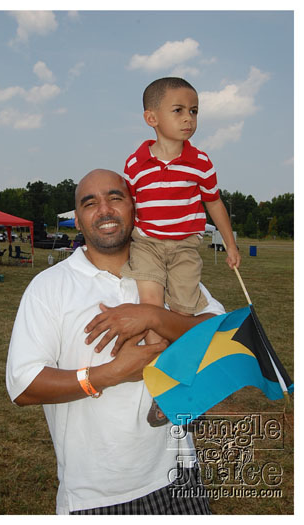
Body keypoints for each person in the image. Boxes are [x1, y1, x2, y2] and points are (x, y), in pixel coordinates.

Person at [6, 169, 225, 515]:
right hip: (98, 496)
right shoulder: (50, 287)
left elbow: (220, 333)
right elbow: (23, 385)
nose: (104, 210)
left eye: (115, 197)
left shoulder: (168, 272)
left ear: (134, 208)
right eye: (90, 203)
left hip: (179, 477)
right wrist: (110, 373)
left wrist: (153, 317)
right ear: (78, 221)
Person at [121, 77, 241, 425]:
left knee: (183, 319)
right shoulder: (135, 164)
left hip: (186, 247)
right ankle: (161, 393)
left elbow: (214, 203)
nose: (189, 118)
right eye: (179, 111)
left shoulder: (200, 162)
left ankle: (178, 388)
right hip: (146, 244)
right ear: (152, 118)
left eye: (194, 111)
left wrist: (230, 244)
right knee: (151, 310)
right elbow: (130, 208)